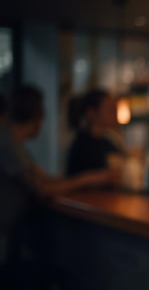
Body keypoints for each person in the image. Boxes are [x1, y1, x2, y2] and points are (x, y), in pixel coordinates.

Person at [0, 84, 116, 262]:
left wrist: (86, 179)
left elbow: (43, 178)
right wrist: (87, 179)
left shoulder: (15, 144)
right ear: (36, 117)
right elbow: (42, 188)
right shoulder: (7, 144)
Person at [66, 88, 124, 176]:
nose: (115, 112)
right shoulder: (82, 147)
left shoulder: (107, 143)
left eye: (115, 108)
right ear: (91, 113)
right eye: (110, 108)